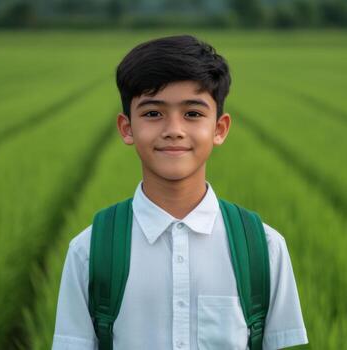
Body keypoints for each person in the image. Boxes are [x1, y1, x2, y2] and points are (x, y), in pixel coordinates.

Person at [51, 34, 308, 350]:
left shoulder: (263, 248)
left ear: (219, 129)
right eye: (153, 113)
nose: (174, 129)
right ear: (127, 128)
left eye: (193, 113)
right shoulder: (90, 251)